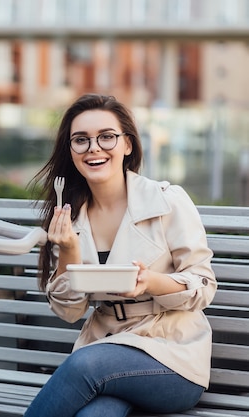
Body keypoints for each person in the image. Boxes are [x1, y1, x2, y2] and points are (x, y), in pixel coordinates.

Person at [24, 94, 216, 417]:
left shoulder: (167, 201)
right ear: (70, 151)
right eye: (80, 140)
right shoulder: (70, 215)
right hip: (107, 352)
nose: (94, 148)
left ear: (127, 144)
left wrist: (151, 282)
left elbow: (204, 284)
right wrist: (69, 249)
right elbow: (69, 311)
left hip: (170, 355)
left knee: (85, 363)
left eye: (106, 137)